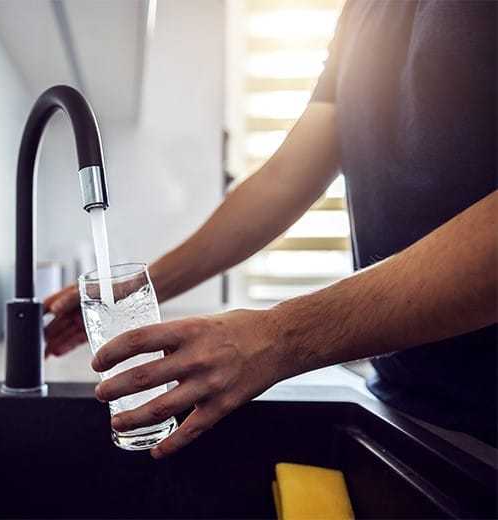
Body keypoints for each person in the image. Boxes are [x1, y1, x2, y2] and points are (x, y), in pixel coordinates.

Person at [43, 0, 497, 458]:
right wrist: (137, 293)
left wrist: (278, 337)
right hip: (405, 402)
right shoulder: (363, 10)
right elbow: (284, 180)